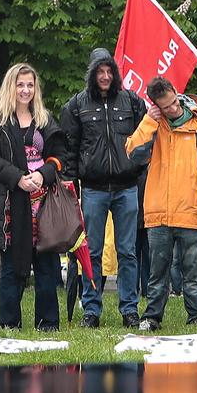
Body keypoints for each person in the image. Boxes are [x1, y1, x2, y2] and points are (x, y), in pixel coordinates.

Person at [125, 77, 197, 331]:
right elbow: (132, 154)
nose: (172, 109)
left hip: (191, 209)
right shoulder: (152, 125)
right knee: (157, 272)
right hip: (158, 212)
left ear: (176, 92)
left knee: (193, 271)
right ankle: (151, 317)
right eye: (165, 106)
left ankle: (196, 315)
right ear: (155, 105)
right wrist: (149, 120)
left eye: (173, 103)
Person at [0, 63, 72, 331]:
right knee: (11, 266)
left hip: (43, 202)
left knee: (46, 266)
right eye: (20, 84)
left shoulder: (44, 119)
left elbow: (59, 157)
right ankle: (9, 324)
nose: (25, 90)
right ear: (11, 86)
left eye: (30, 85)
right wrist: (18, 177)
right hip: (11, 201)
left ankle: (48, 324)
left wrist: (43, 174)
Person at [61, 48, 148, 329]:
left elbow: (145, 138)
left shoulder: (132, 102)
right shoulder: (77, 105)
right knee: (92, 252)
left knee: (128, 251)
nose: (106, 76)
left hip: (126, 187)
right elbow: (70, 148)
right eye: (100, 71)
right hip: (93, 189)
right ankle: (91, 309)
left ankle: (129, 309)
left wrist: (139, 168)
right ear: (92, 73)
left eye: (110, 71)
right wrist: (71, 182)